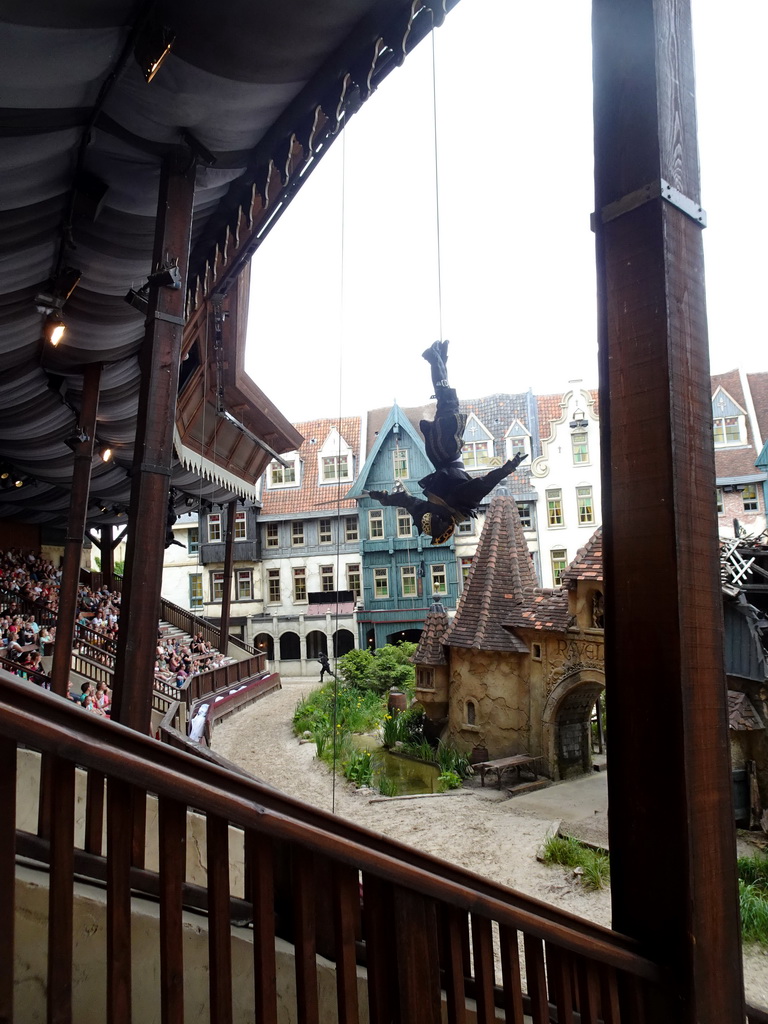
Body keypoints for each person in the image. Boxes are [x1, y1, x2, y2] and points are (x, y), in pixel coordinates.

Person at [366, 341, 528, 544]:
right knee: (445, 402)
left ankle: (434, 359)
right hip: (438, 453)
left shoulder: (456, 503)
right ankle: (439, 359)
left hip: (447, 449)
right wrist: (384, 498)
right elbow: (406, 500)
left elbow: (485, 484)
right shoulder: (439, 507)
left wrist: (508, 469)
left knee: (448, 403)